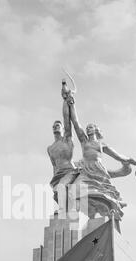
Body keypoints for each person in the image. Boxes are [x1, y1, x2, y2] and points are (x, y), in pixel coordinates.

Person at [62, 82, 136, 221]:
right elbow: (75, 122)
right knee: (74, 190)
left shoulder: (101, 144)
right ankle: (82, 213)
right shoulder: (84, 141)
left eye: (90, 127)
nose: (87, 129)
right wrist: (71, 104)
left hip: (98, 170)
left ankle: (114, 203)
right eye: (87, 128)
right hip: (87, 170)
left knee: (105, 193)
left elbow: (120, 157)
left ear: (96, 130)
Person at [47, 81, 79, 214]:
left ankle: (66, 210)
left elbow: (66, 118)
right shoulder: (50, 148)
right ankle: (65, 210)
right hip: (58, 174)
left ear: (61, 129)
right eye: (54, 126)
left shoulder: (67, 138)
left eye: (58, 126)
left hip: (70, 170)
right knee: (58, 193)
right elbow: (54, 165)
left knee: (61, 189)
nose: (56, 127)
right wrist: (54, 177)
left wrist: (65, 101)